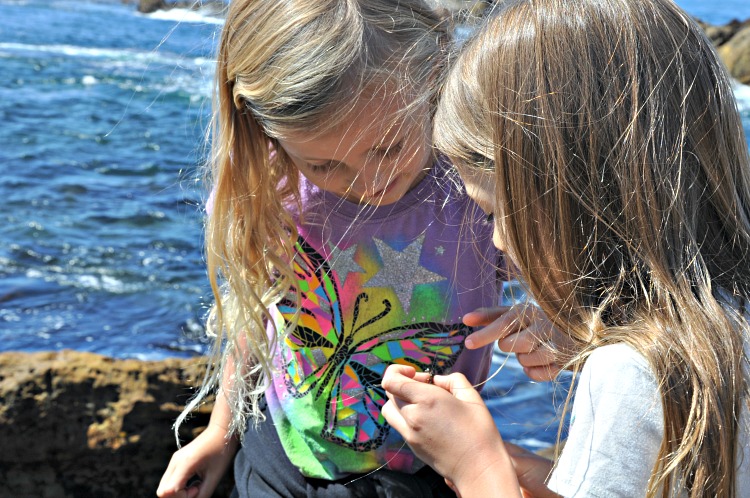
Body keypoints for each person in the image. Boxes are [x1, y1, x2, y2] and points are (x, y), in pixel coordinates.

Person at [156, 1, 562, 497]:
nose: (369, 184)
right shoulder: (271, 185)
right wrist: (221, 433)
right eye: (325, 166)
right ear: (270, 133)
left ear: (435, 75)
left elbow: (564, 294)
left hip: (422, 471)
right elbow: (258, 315)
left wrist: (550, 325)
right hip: (275, 460)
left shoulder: (477, 192)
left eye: (388, 148)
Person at [382, 0, 750, 496]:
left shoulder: (627, 374)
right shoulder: (728, 322)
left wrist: (476, 465)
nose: (494, 239)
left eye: (494, 211)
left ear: (572, 190)